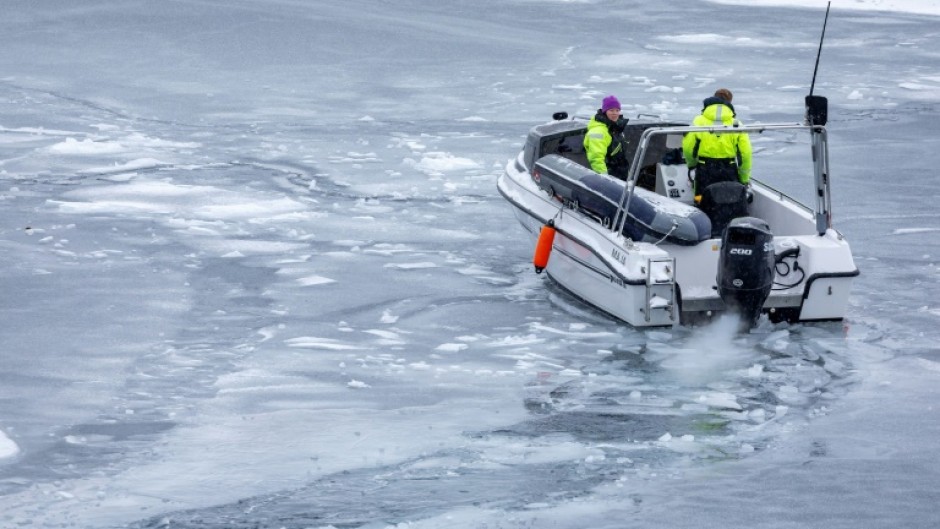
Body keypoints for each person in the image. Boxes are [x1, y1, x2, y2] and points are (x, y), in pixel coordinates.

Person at [682, 88, 752, 194]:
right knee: (730, 201)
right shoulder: (737, 124)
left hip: (705, 169)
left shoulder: (698, 121)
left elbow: (688, 148)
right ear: (729, 102)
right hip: (729, 170)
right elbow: (745, 154)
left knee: (703, 200)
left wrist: (692, 166)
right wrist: (744, 179)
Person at [584, 95, 630, 179]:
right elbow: (596, 158)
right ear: (605, 112)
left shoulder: (614, 128)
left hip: (619, 173)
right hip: (609, 175)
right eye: (611, 110)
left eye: (617, 110)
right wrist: (605, 179)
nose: (615, 113)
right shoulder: (598, 131)